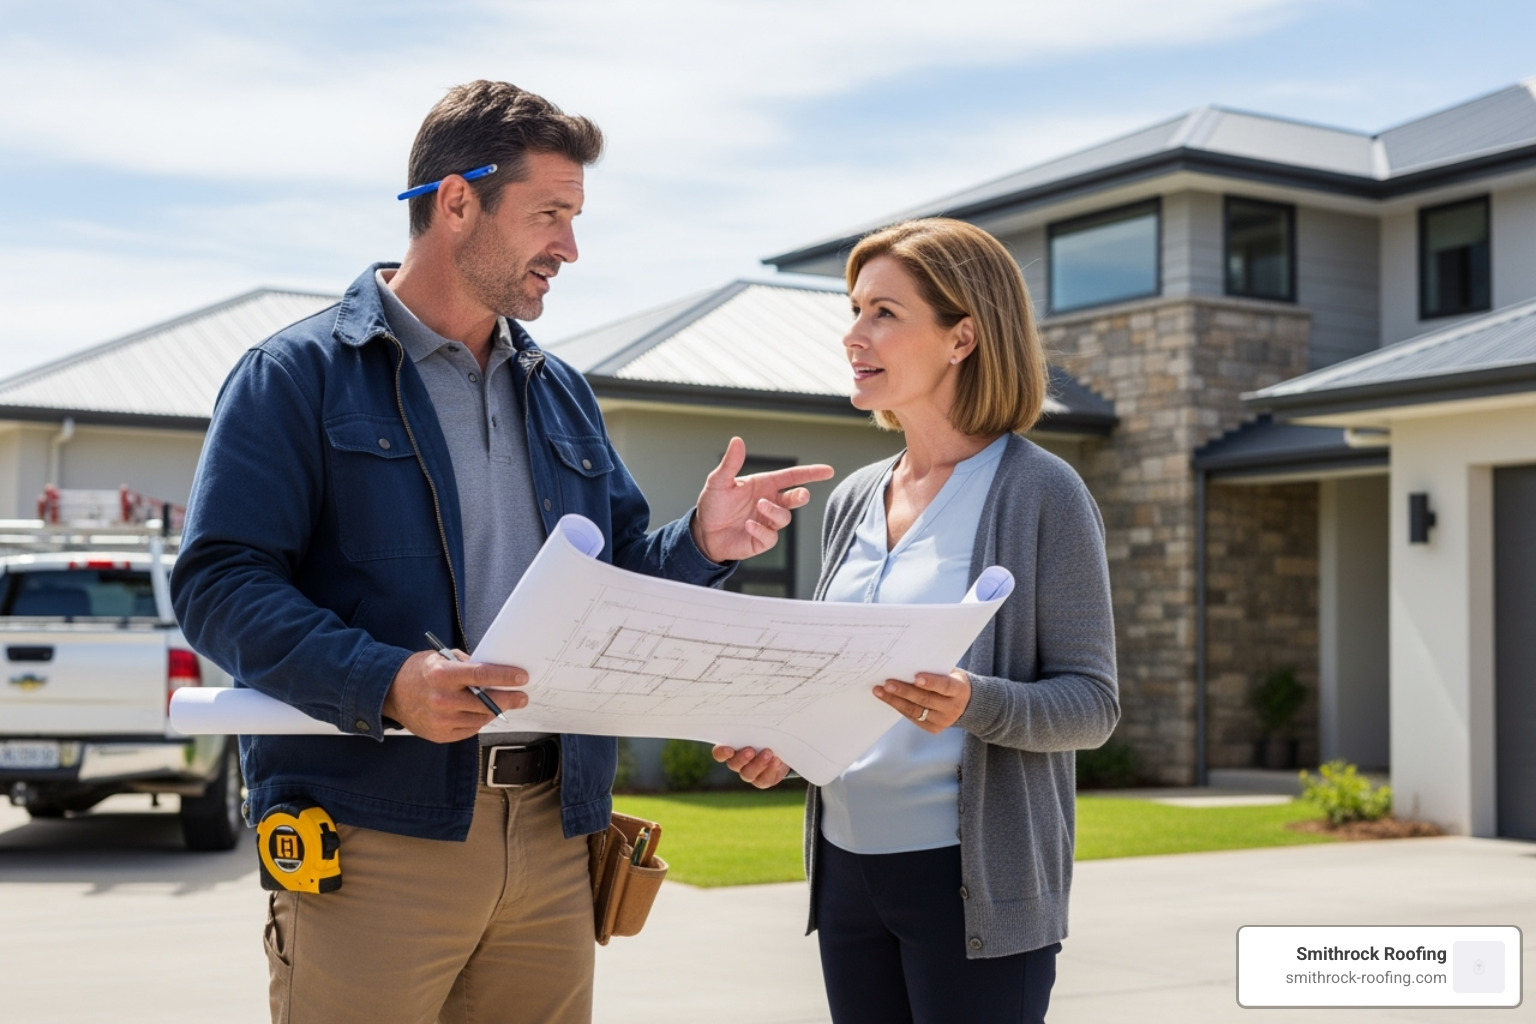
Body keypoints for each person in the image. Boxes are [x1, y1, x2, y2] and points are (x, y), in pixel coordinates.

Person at [171, 80, 831, 1024]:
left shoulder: (561, 392)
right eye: (550, 214)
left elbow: (613, 589)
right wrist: (388, 680)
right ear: (456, 201)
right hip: (374, 835)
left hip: (557, 838)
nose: (569, 246)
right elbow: (220, 583)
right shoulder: (295, 377)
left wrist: (702, 543)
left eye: (574, 216)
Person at [713, 218, 1119, 1024]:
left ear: (962, 336)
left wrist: (975, 701)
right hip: (848, 874)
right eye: (855, 310)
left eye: (884, 313)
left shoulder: (1042, 494)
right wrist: (787, 745)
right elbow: (849, 690)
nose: (853, 334)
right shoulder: (857, 497)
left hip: (971, 885)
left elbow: (1093, 704)